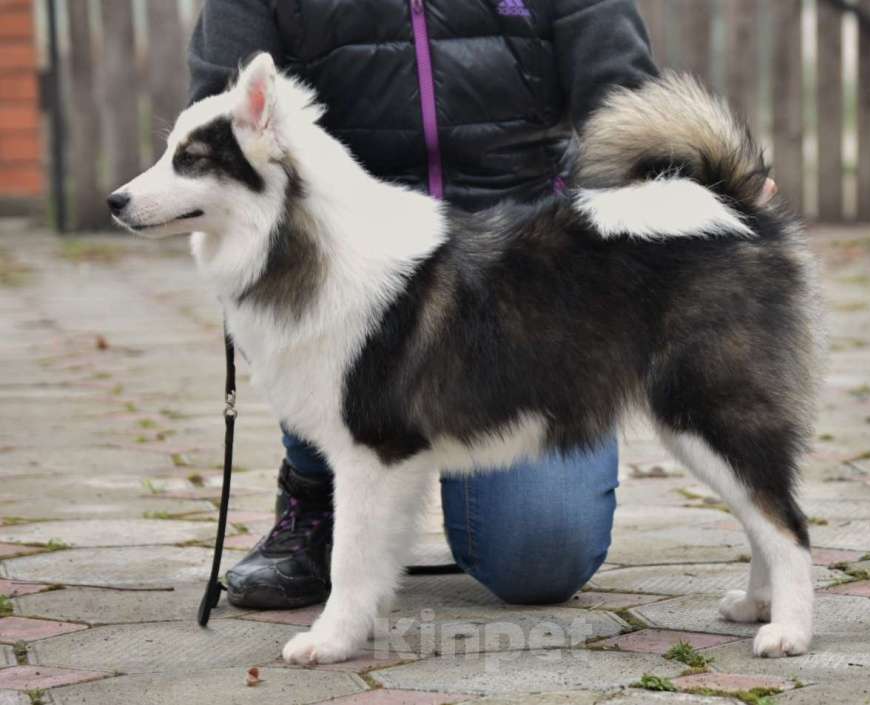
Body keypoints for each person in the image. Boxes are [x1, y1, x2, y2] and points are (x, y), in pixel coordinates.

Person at [188, 0, 658, 610]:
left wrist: (675, 178)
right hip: (351, 261)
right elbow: (220, 114)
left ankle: (437, 484)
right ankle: (317, 487)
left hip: (520, 268)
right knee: (310, 307)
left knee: (539, 560)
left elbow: (623, 96)